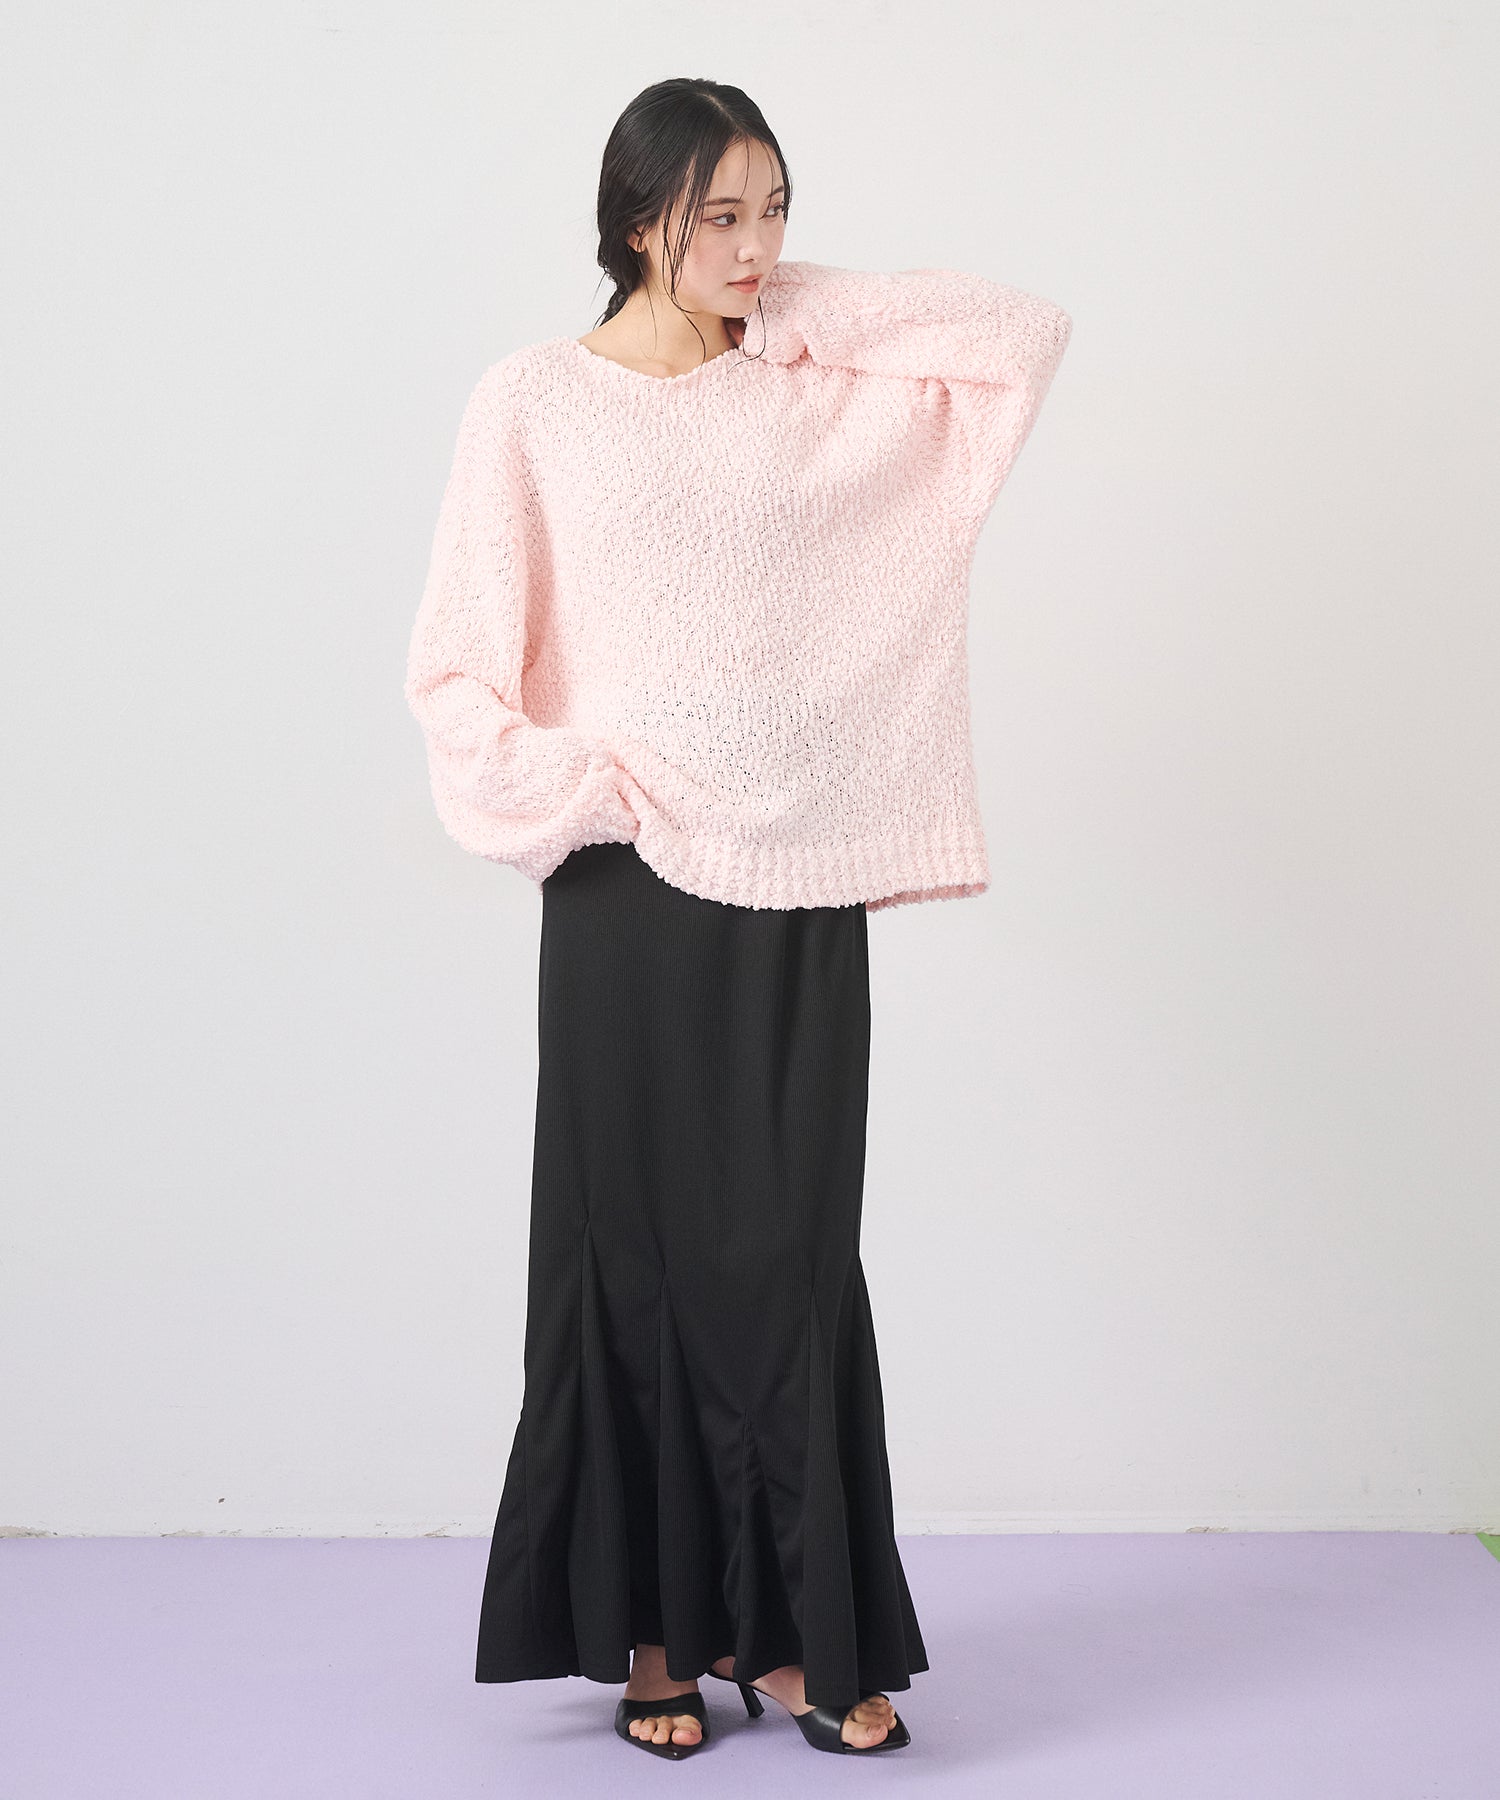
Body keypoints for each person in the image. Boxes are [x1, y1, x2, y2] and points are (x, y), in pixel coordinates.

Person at [404, 76, 1072, 1762]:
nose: (758, 244)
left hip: (796, 875)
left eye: (776, 209)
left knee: (788, 1259)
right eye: (720, 216)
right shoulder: (532, 402)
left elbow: (1016, 336)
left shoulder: (798, 378)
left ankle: (794, 1636)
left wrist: (782, 297)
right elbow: (458, 665)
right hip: (625, 891)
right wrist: (588, 783)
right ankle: (652, 1634)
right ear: (638, 219)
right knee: (627, 1256)